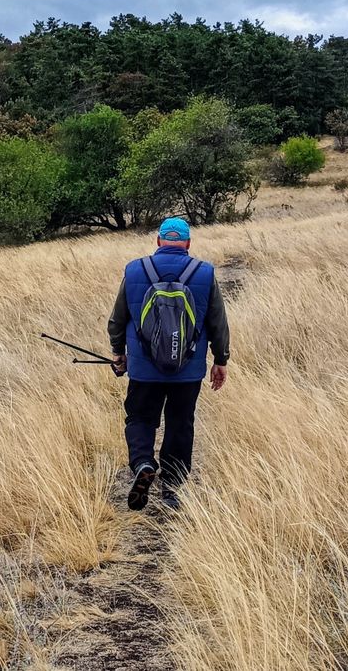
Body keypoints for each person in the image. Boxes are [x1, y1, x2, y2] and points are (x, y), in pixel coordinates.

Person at [107, 217, 230, 511]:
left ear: (158, 241)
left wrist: (118, 352)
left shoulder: (135, 269)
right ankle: (172, 489)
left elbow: (118, 319)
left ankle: (143, 463)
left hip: (143, 369)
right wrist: (220, 359)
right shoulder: (205, 272)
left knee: (140, 418)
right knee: (180, 423)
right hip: (187, 371)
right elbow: (218, 323)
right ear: (187, 243)